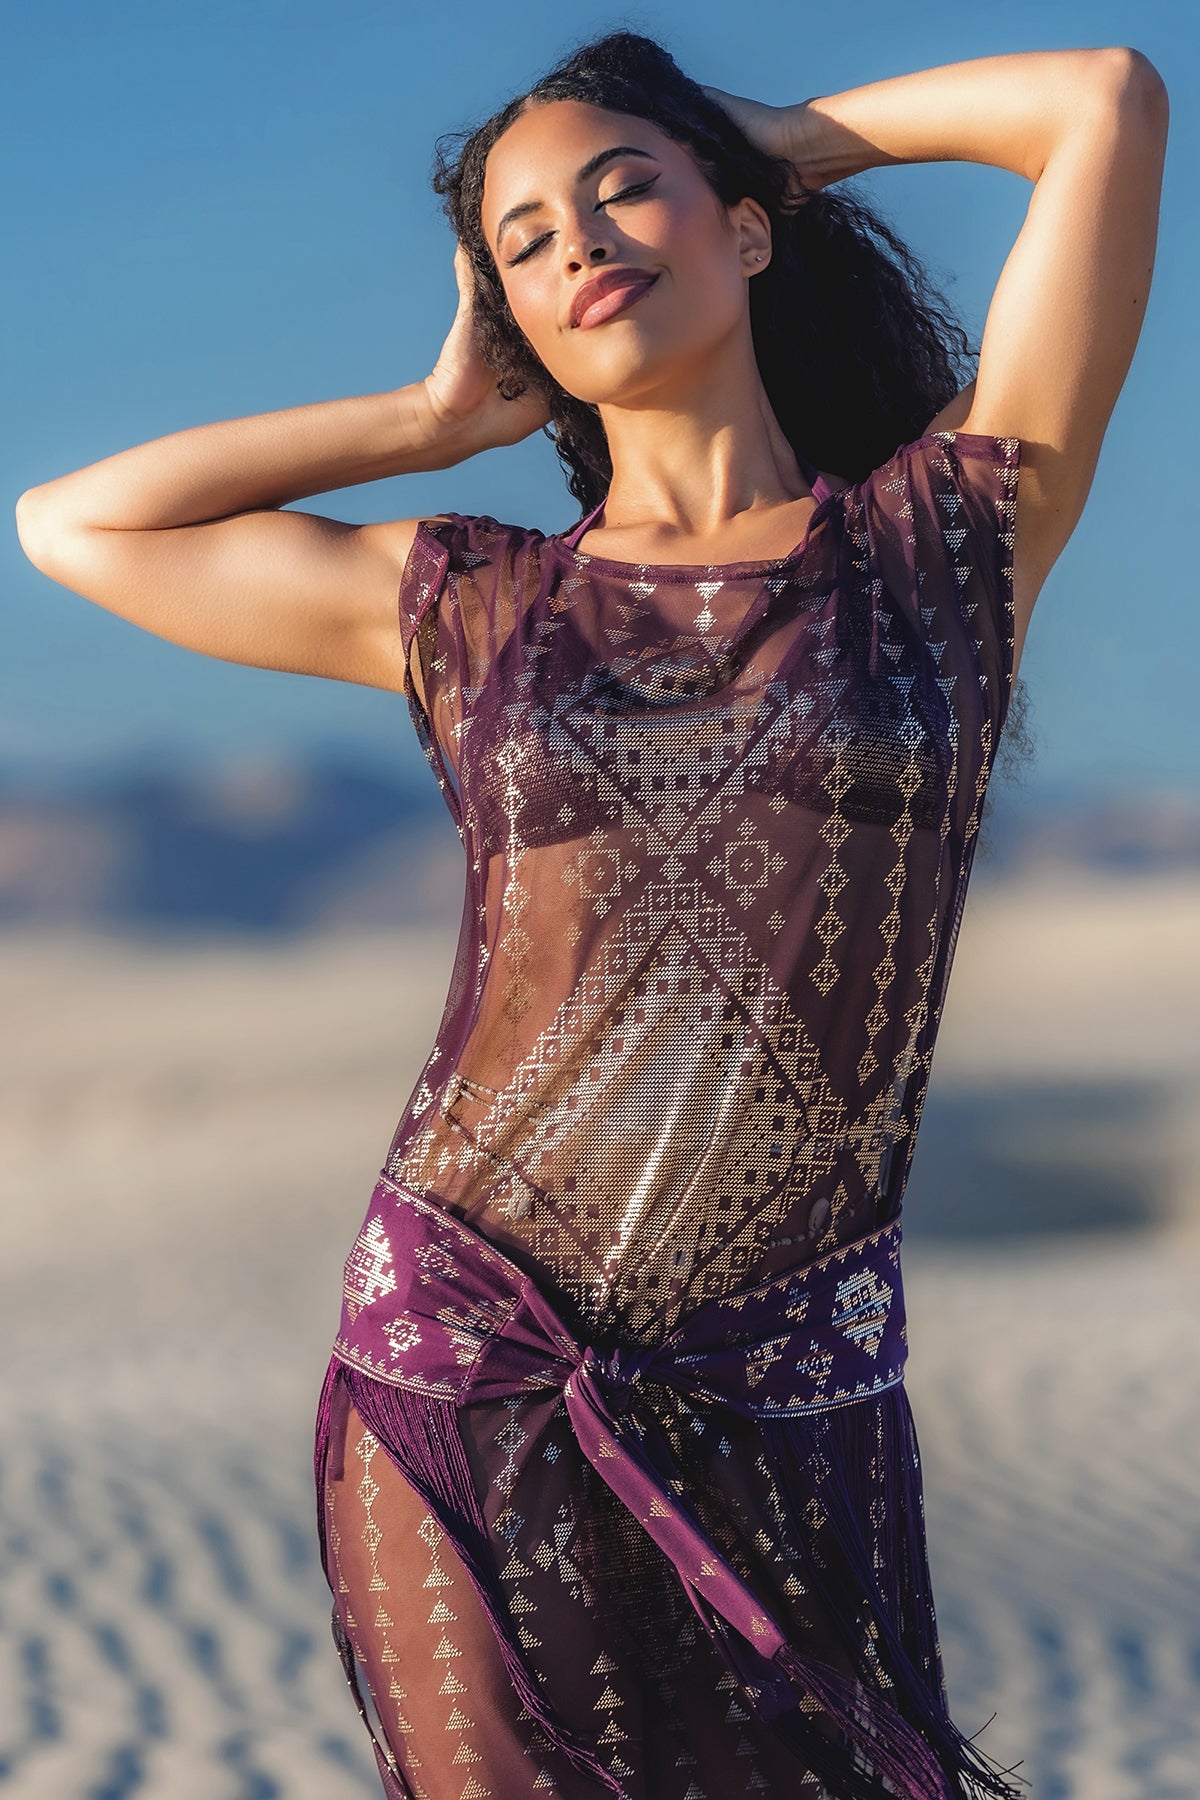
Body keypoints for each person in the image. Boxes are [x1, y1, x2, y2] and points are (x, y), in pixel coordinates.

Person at [15, 27, 1167, 1800]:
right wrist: (425, 425)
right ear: (511, 319)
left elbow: (1100, 99)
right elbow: (76, 525)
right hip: (468, 1356)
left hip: (790, 1394)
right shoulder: (476, 602)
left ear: (747, 227)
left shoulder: (942, 543)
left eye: (624, 185)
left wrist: (755, 133)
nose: (581, 245)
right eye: (525, 241)